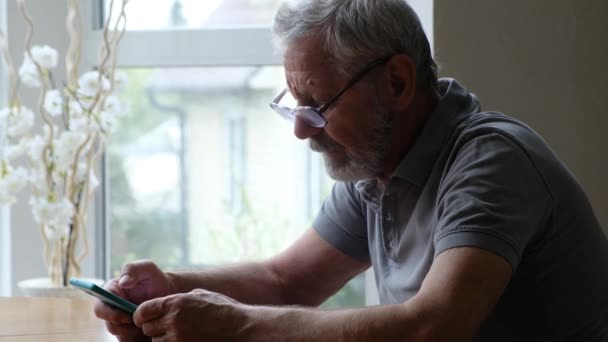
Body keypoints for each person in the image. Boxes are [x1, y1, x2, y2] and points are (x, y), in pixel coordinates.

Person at [95, 0, 608, 341]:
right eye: (294, 105)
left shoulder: (492, 164)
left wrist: (236, 327)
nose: (301, 130)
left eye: (318, 104)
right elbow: (285, 281)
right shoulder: (376, 167)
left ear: (398, 83)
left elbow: (433, 328)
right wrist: (170, 288)